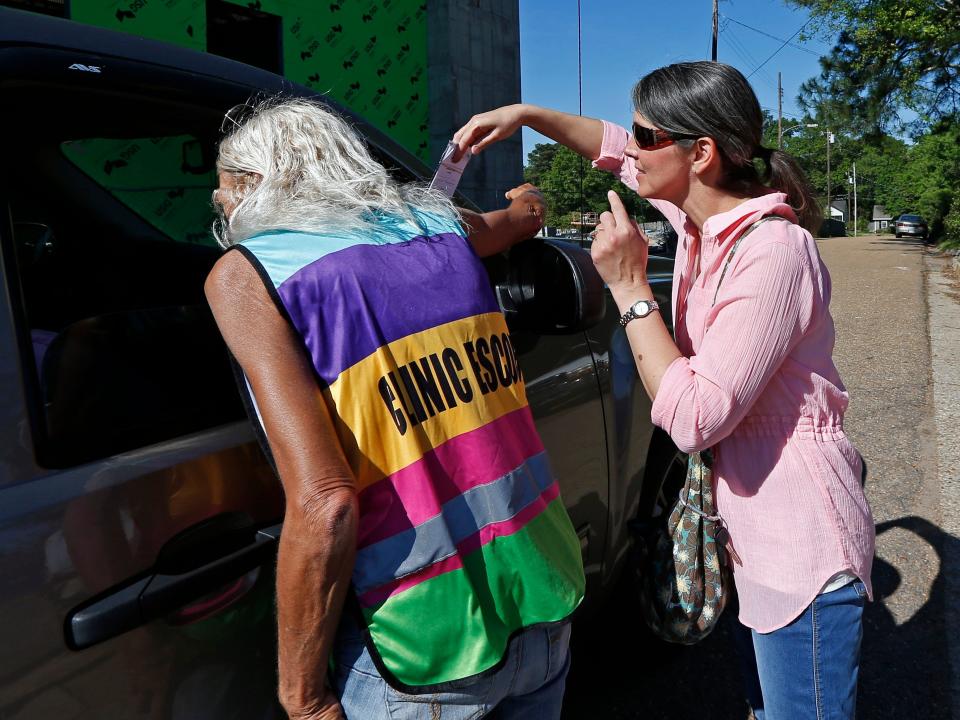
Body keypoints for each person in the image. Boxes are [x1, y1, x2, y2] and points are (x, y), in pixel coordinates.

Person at [454, 61, 875, 720]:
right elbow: (611, 147)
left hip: (801, 545)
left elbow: (694, 418)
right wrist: (527, 115)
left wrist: (628, 286)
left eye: (650, 136)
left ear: (701, 153)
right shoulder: (698, 223)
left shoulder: (773, 254)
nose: (632, 148)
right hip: (754, 533)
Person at [204, 97, 585, 720]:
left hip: (421, 650)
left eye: (225, 189)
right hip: (544, 594)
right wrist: (530, 202)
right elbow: (515, 220)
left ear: (254, 185)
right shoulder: (438, 224)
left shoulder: (247, 275)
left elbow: (326, 503)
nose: (220, 205)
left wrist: (302, 697)